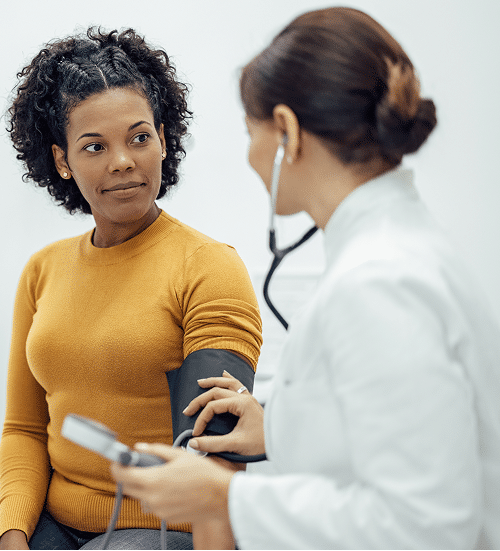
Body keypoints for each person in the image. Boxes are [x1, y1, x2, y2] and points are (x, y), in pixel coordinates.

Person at [110, 7, 500, 549]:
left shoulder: (379, 283)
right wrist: (279, 429)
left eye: (251, 132)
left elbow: (427, 526)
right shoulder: (396, 252)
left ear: (287, 131)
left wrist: (225, 498)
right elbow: (397, 435)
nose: (250, 155)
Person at [0, 28, 262, 550]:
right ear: (63, 161)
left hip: (163, 525)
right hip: (54, 520)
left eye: (139, 138)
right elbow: (24, 429)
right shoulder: (42, 271)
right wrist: (13, 535)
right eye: (95, 146)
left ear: (163, 139)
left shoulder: (209, 267)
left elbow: (213, 456)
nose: (122, 161)